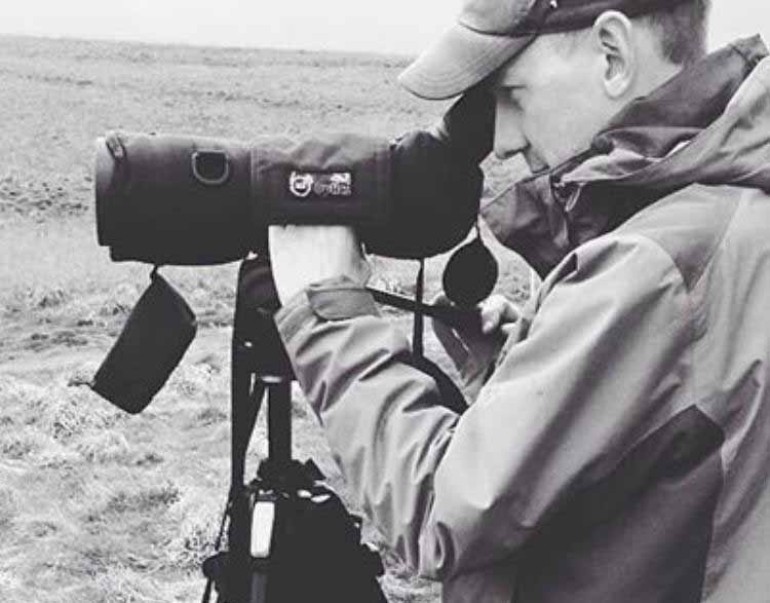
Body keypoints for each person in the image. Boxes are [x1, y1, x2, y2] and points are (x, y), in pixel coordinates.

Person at [267, 0, 770, 600]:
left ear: (612, 54)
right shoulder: (735, 204)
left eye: (512, 92)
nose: (501, 140)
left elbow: (440, 510)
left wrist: (325, 312)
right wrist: (522, 365)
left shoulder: (654, 264)